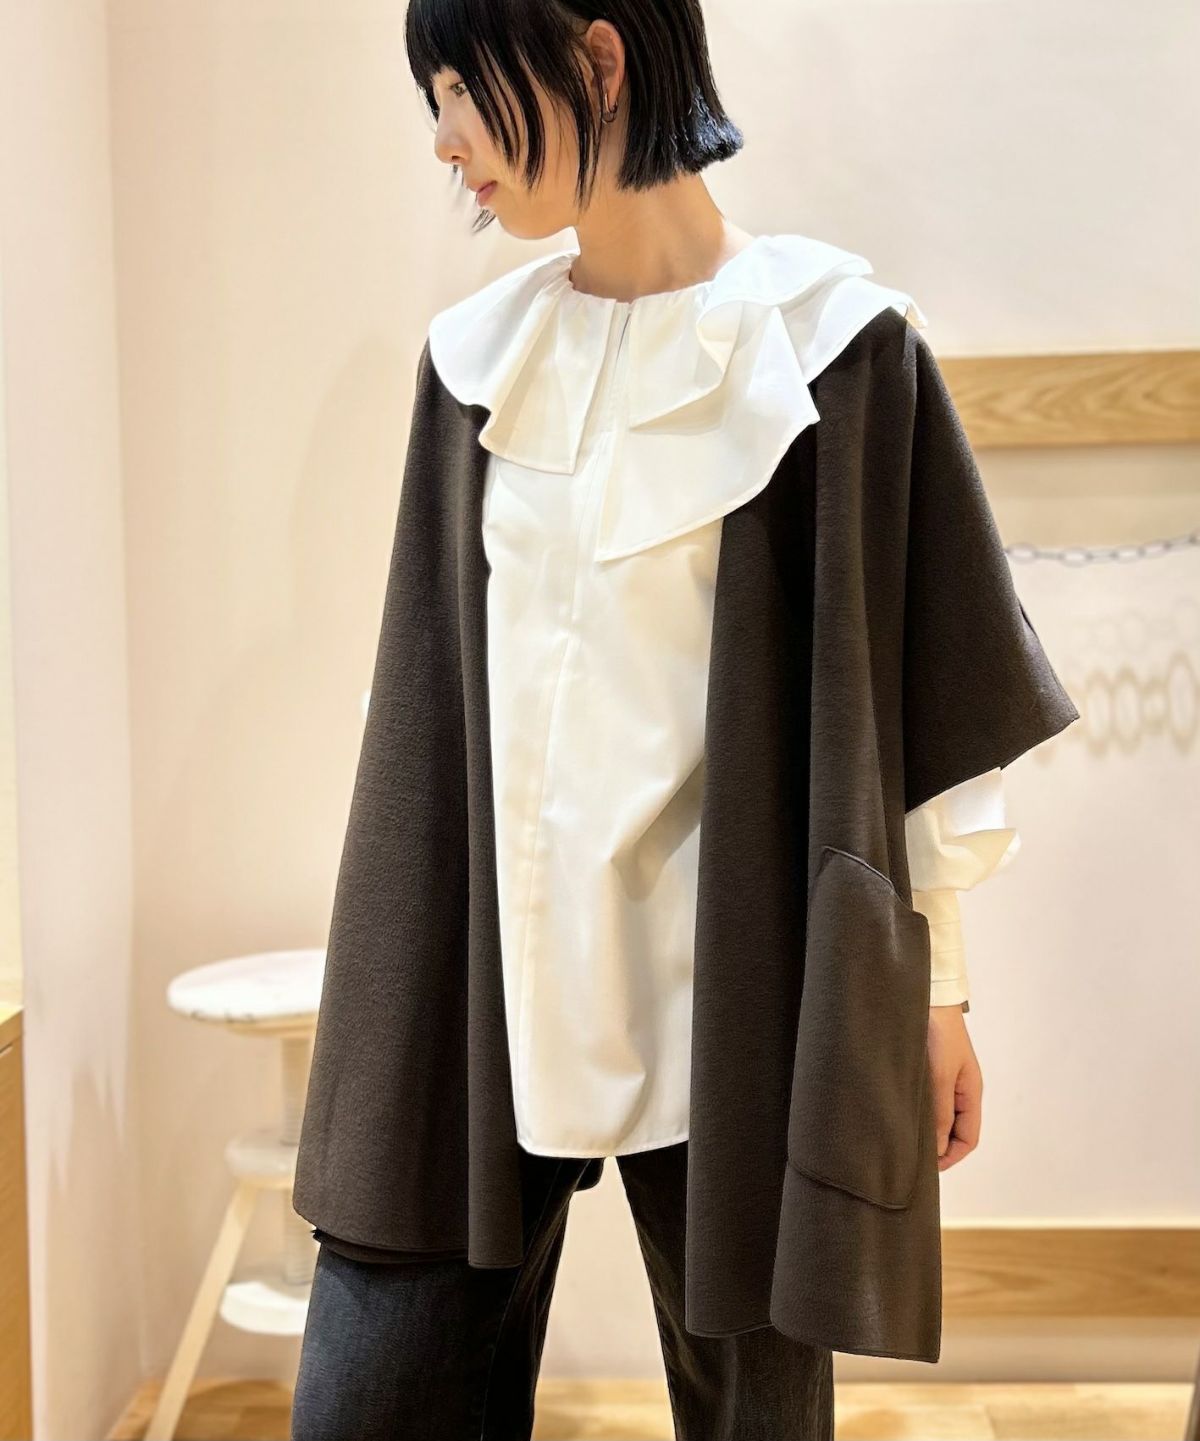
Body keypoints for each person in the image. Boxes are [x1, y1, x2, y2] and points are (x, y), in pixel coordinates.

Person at [289, 2, 1078, 1437]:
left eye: (463, 88)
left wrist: (936, 992)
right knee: (370, 1397)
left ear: (599, 61)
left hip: (735, 1002)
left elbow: (912, 718)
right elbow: (430, 702)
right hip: (490, 977)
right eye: (434, 95)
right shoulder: (474, 366)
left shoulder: (835, 352)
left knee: (756, 1417)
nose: (445, 140)